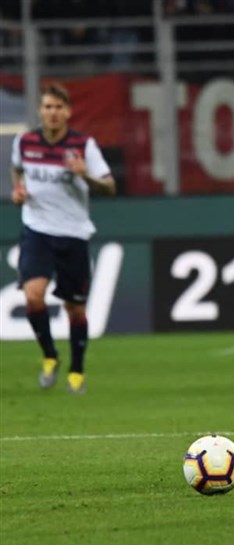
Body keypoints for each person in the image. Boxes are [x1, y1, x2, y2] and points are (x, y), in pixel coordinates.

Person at [9, 82, 116, 394]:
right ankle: (50, 355)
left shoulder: (83, 146)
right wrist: (18, 190)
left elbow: (109, 187)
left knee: (75, 309)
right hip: (37, 230)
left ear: (68, 112)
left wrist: (84, 174)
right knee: (33, 296)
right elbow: (17, 170)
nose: (52, 113)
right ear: (40, 111)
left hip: (72, 234)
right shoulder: (25, 142)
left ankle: (77, 370)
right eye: (47, 107)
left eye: (58, 107)